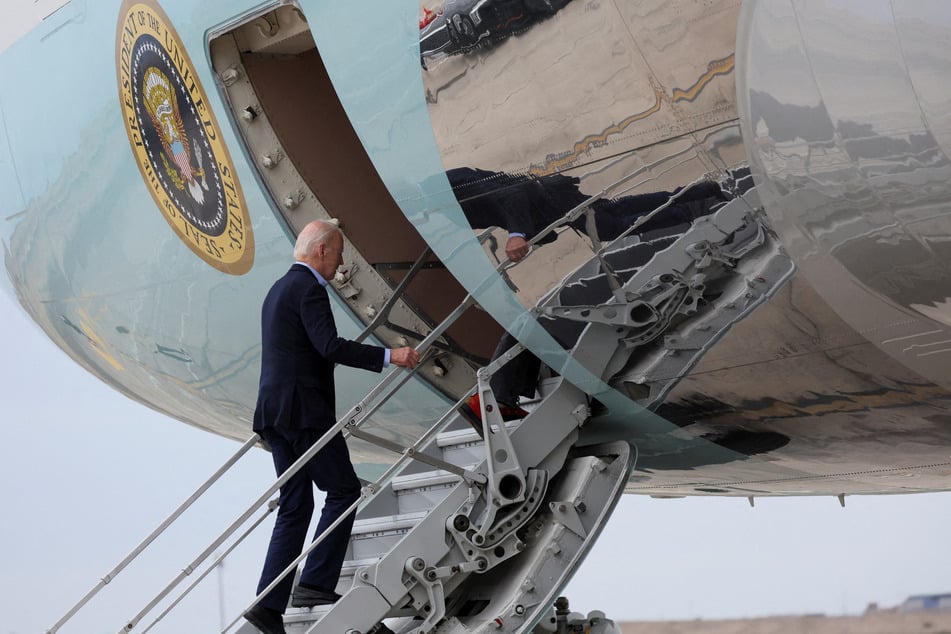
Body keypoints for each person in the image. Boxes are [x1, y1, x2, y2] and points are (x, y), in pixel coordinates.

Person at [246, 220, 420, 634]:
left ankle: (268, 606)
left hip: (274, 413)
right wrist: (387, 356)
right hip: (304, 412)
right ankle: (315, 584)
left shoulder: (277, 289)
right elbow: (328, 346)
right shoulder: (309, 289)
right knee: (344, 490)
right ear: (321, 250)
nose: (342, 261)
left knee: (296, 505)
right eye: (339, 252)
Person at [448, 167, 728, 423]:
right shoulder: (443, 190)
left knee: (610, 225)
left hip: (546, 198)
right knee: (611, 213)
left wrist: (518, 232)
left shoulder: (445, 190)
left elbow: (511, 194)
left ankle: (692, 206)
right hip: (547, 196)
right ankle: (698, 194)